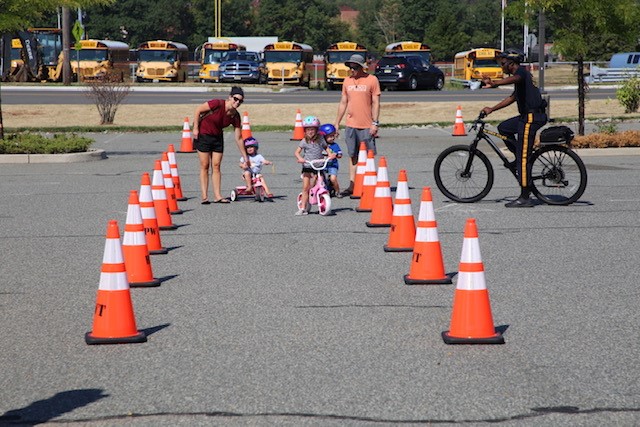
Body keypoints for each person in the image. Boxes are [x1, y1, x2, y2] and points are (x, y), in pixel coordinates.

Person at [481, 48, 548, 208]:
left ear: (511, 63)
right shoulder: (519, 77)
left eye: (503, 63)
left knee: (522, 160)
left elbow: (516, 79)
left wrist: (495, 82)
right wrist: (491, 109)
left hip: (531, 118)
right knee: (504, 128)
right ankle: (520, 154)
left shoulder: (521, 73)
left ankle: (525, 197)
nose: (501, 66)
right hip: (526, 116)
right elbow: (512, 98)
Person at [333, 53, 381, 197]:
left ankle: (368, 185)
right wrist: (337, 123)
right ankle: (352, 185)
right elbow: (343, 102)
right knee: (353, 156)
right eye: (350, 67)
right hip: (351, 124)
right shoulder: (347, 81)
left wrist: (375, 123)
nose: (351, 70)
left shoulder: (372, 80)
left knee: (368, 156)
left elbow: (376, 103)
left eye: (354, 67)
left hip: (367, 125)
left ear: (361, 67)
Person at [192, 86, 249, 204]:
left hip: (217, 138)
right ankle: (204, 196)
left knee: (216, 165)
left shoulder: (235, 116)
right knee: (205, 165)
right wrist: (195, 128)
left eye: (240, 101)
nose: (237, 102)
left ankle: (217, 196)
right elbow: (198, 110)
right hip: (203, 135)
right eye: (235, 99)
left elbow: (238, 137)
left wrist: (245, 156)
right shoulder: (217, 103)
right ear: (230, 97)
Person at [294, 116, 336, 216]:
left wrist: (330, 155)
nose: (310, 132)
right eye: (308, 129)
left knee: (321, 183)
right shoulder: (304, 141)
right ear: (305, 131)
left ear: (317, 130)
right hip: (308, 166)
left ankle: (320, 197)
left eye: (312, 129)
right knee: (305, 187)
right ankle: (303, 208)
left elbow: (326, 148)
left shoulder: (321, 139)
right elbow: (297, 152)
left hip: (319, 165)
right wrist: (300, 158)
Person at [319, 123, 343, 198]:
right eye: (330, 136)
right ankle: (323, 190)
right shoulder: (321, 145)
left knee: (333, 179)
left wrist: (336, 155)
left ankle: (337, 191)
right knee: (320, 179)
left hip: (332, 165)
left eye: (333, 136)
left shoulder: (335, 145)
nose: (332, 138)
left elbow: (340, 154)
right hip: (322, 165)